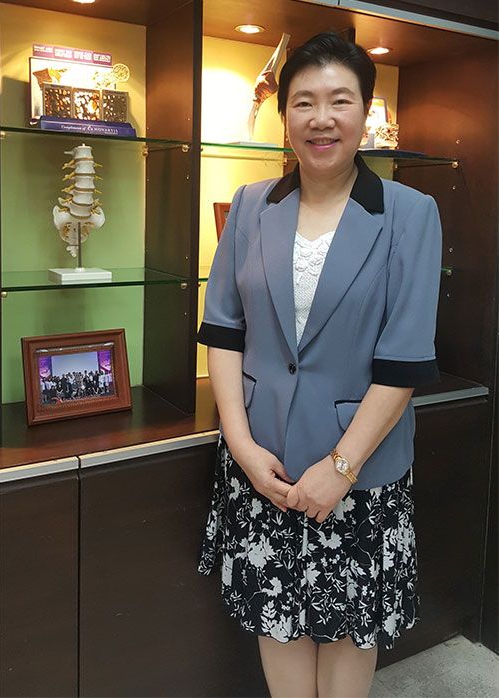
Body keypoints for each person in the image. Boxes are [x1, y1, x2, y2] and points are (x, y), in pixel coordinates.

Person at [197, 32, 442, 698]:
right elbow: (224, 332)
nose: (321, 118)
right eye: (304, 102)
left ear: (365, 112)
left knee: (348, 629)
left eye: (340, 100)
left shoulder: (410, 214)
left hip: (357, 471)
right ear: (285, 117)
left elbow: (403, 362)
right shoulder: (252, 205)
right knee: (276, 621)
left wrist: (341, 468)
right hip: (264, 465)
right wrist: (241, 447)